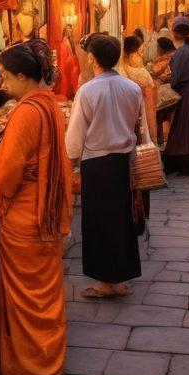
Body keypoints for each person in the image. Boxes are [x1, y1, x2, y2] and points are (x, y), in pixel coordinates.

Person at [0, 40, 73, 375]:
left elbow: (8, 172)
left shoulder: (26, 111)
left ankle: (28, 366)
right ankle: (49, 359)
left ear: (23, 76)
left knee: (26, 296)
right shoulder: (49, 103)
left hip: (26, 214)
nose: (3, 83)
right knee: (44, 290)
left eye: (6, 77)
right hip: (45, 208)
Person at [66, 34, 147, 297]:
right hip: (124, 161)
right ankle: (120, 280)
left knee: (99, 221)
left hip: (97, 164)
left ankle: (104, 282)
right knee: (122, 220)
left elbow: (75, 137)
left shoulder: (88, 91)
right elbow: (141, 128)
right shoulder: (132, 88)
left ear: (92, 59)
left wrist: (71, 158)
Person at [164, 19, 189, 176]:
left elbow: (176, 77)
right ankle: (185, 164)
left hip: (184, 94)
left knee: (181, 128)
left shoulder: (182, 52)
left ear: (176, 34)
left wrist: (168, 83)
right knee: (187, 128)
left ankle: (177, 163)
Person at [122, 34, 158, 143]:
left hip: (137, 97)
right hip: (141, 97)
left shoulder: (125, 61)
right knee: (143, 126)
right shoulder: (133, 58)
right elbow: (143, 77)